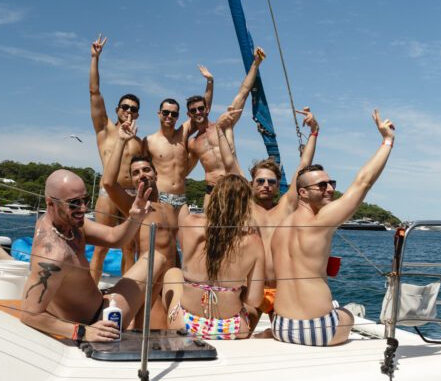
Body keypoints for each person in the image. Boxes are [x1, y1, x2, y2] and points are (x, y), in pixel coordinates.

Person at [271, 110, 396, 347]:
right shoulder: (320, 222)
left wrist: (314, 133)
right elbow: (363, 183)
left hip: (281, 326)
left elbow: (301, 169)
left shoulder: (280, 220)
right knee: (349, 314)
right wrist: (387, 141)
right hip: (317, 330)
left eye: (331, 183)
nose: (329, 188)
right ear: (303, 193)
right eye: (322, 185)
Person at [20, 169, 162, 342]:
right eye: (74, 203)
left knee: (156, 257)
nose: (83, 208)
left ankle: (138, 326)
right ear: (51, 203)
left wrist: (135, 217)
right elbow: (29, 314)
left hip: (95, 306)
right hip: (97, 322)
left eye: (85, 200)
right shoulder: (52, 255)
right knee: (158, 259)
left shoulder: (69, 223)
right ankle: (138, 330)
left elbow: (114, 238)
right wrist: (83, 332)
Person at [215, 105, 319, 317]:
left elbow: (304, 166)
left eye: (271, 182)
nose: (265, 185)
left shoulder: (286, 206)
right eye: (260, 181)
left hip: (281, 289)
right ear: (251, 183)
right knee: (244, 339)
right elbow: (229, 163)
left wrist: (314, 132)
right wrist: (219, 130)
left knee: (284, 340)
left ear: (278, 184)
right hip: (250, 290)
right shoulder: (245, 206)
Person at [163, 174, 264, 340]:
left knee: (173, 273)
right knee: (250, 308)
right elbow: (254, 300)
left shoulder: (190, 223)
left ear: (214, 197)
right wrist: (234, 288)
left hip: (185, 323)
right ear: (247, 204)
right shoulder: (253, 241)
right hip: (231, 328)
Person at [102, 121, 178, 329]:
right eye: (135, 173)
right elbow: (109, 183)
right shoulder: (134, 206)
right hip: (149, 284)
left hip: (171, 285)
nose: (142, 174)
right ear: (133, 180)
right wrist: (121, 141)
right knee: (147, 333)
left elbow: (174, 250)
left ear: (155, 174)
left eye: (146, 170)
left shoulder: (169, 209)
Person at [88, 33, 144, 283]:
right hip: (107, 194)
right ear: (117, 110)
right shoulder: (105, 129)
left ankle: (126, 292)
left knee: (129, 248)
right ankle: (90, 290)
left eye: (133, 109)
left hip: (130, 196)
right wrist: (95, 59)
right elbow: (94, 92)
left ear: (137, 114)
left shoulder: (140, 141)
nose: (128, 111)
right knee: (101, 247)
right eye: (125, 107)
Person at [187, 47, 265, 208]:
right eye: (193, 110)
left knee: (243, 230)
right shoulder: (192, 143)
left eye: (201, 108)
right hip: (211, 190)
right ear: (189, 115)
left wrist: (256, 63)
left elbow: (243, 92)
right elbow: (182, 169)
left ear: (207, 109)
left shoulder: (224, 125)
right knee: (209, 230)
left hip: (235, 184)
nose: (198, 112)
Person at [143, 64, 213, 211]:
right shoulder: (149, 141)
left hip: (182, 198)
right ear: (159, 113)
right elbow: (141, 172)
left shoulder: (183, 133)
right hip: (160, 197)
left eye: (174, 114)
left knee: (185, 234)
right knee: (162, 235)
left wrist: (210, 82)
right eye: (166, 112)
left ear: (178, 117)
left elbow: (202, 110)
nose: (169, 116)